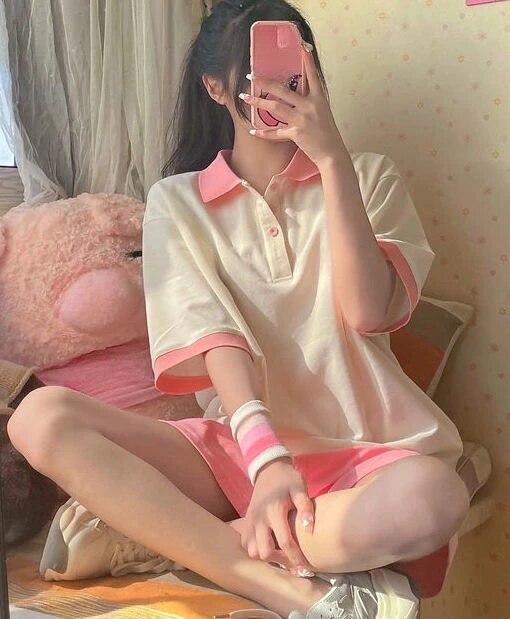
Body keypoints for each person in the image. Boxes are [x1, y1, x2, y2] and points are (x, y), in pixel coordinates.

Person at [8, 1, 469, 617]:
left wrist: (332, 160)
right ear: (216, 88)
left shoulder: (367, 176)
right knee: (39, 416)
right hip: (237, 453)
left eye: (292, 68)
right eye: (255, 73)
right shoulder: (178, 202)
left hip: (369, 450)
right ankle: (277, 583)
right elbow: (214, 336)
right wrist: (268, 458)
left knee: (435, 499)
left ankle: (176, 538)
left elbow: (366, 313)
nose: (278, 88)